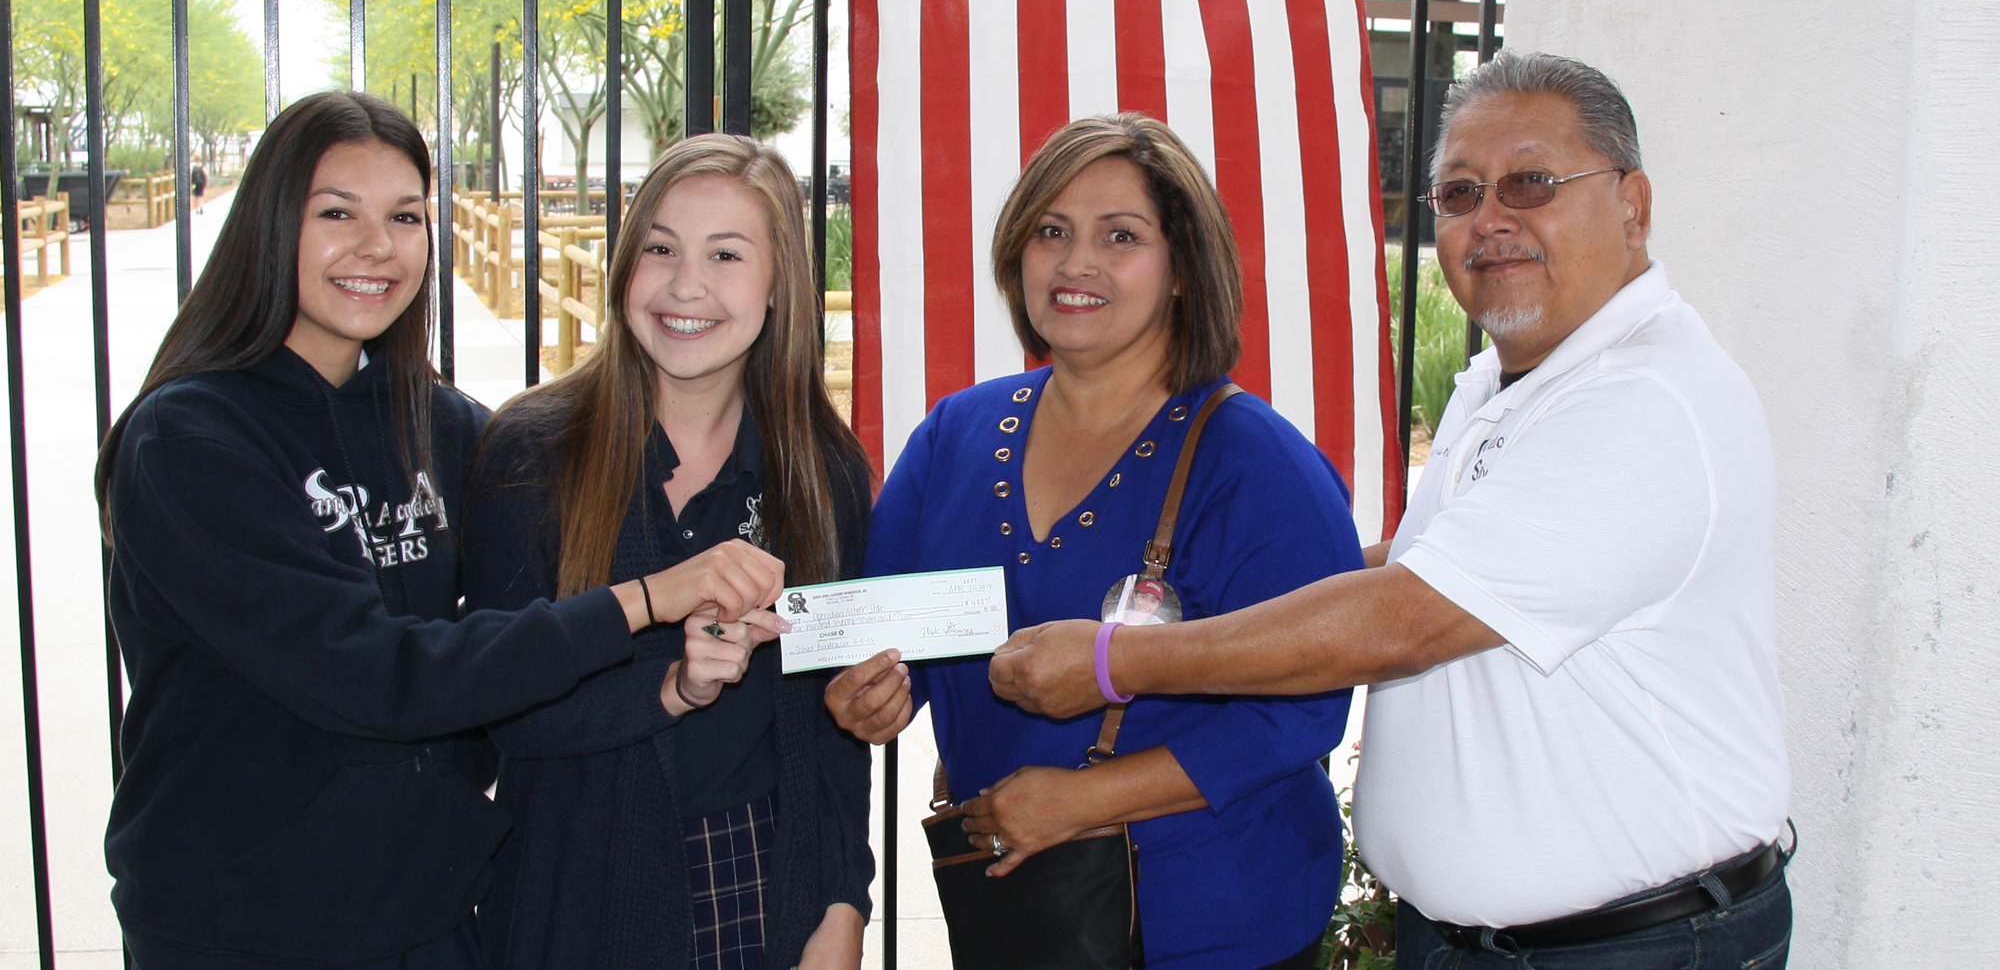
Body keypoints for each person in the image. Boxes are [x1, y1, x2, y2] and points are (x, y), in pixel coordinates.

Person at [990, 53, 1793, 969]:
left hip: (1630, 945)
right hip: (1478, 939)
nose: (1491, 219)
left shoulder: (1642, 400)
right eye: (1460, 193)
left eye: (1531, 183)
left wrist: (1112, 658)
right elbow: (1420, 565)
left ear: (1632, 205)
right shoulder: (1507, 379)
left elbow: (1408, 620)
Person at [96, 92, 786, 970]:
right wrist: (646, 598)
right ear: (270, 223)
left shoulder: (447, 427)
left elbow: (514, 645)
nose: (375, 246)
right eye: (337, 213)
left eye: (405, 216)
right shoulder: (190, 440)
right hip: (239, 921)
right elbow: (376, 672)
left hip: (429, 915)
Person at [828, 114, 1364, 970]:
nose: (1076, 262)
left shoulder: (1261, 464)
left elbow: (1305, 709)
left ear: (1182, 268)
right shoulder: (954, 436)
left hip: (1218, 924)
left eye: (1121, 236)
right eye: (1051, 231)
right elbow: (898, 635)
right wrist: (877, 692)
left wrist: (1087, 799)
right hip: (1022, 915)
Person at [462, 135, 874, 970]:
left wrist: (843, 902)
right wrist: (672, 685)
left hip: (761, 878)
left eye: (726, 254)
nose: (686, 285)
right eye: (659, 248)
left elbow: (830, 728)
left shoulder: (819, 467)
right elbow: (499, 704)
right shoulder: (533, 451)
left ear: (778, 285)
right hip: (575, 882)